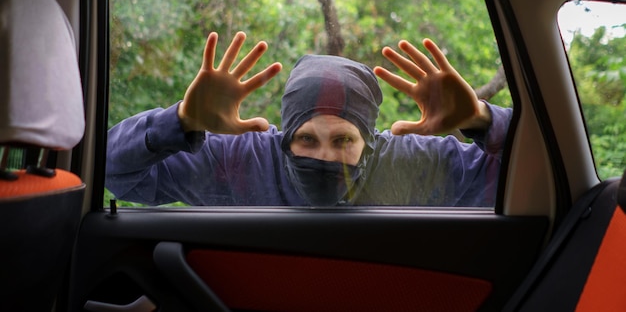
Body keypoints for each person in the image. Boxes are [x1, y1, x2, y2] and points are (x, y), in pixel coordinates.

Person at [106, 31, 512, 207]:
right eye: (306, 139)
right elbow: (113, 171)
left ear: (369, 140)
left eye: (343, 141)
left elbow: (534, 171)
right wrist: (178, 121)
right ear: (284, 137)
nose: (323, 156)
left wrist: (479, 119)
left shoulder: (409, 163)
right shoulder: (239, 161)